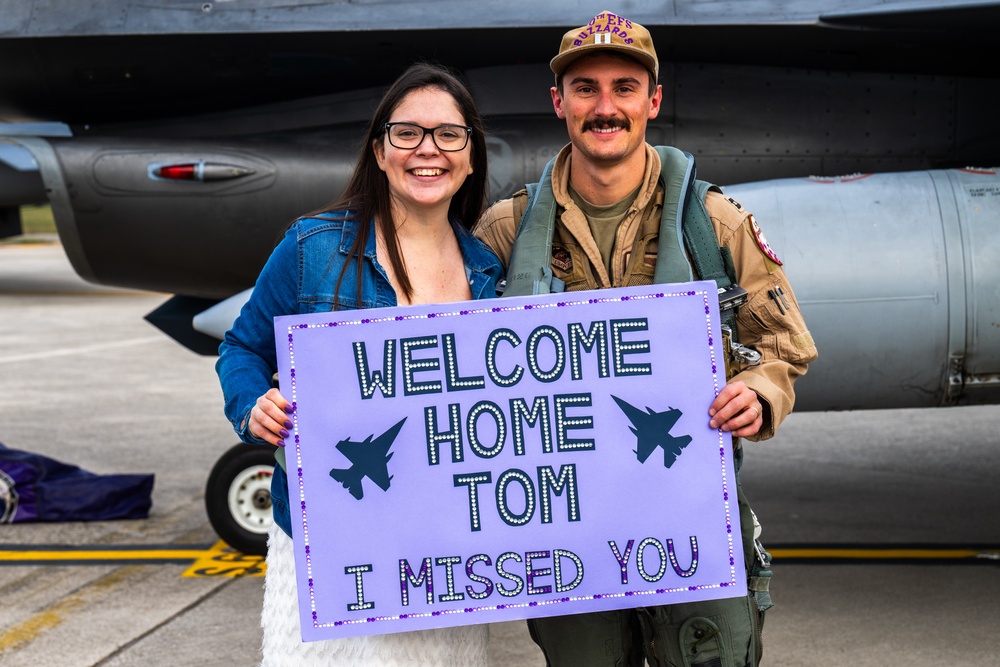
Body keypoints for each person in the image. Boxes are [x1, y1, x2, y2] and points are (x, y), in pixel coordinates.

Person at [473, 10, 818, 667]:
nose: (605, 107)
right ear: (560, 103)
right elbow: (443, 356)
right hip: (565, 519)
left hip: (688, 503)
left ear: (652, 101)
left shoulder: (713, 222)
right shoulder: (506, 231)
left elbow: (785, 343)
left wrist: (759, 390)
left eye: (624, 88)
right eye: (586, 89)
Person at [216, 62, 503, 667]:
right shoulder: (312, 248)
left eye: (449, 135)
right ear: (380, 150)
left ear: (471, 156)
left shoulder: (488, 273)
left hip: (447, 550)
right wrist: (251, 406)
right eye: (407, 133)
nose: (428, 150)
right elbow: (241, 347)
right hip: (332, 546)